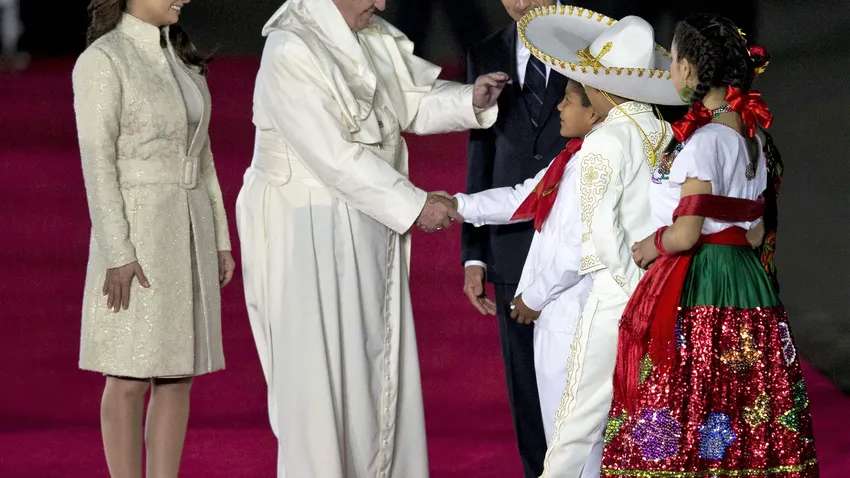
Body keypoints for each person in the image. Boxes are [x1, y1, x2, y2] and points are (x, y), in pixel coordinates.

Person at [234, 0, 507, 476]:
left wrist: (470, 100)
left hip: (365, 218)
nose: (381, 4)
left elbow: (409, 100)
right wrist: (416, 204)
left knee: (371, 372)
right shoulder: (291, 48)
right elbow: (334, 157)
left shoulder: (366, 32)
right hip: (306, 231)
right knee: (321, 384)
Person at [604, 14, 819, 476]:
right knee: (744, 404)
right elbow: (756, 231)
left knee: (688, 402)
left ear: (689, 69)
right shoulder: (755, 138)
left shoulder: (704, 143)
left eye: (674, 61)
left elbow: (685, 232)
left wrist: (651, 244)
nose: (671, 71)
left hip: (700, 281)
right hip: (747, 281)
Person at [514, 8, 683, 477]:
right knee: (644, 422)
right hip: (659, 288)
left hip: (616, 293)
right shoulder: (662, 131)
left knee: (576, 422)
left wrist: (630, 291)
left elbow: (601, 233)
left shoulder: (604, 142)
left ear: (600, 88)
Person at [72, 0, 234, 477]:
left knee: (178, 373)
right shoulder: (104, 59)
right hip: (138, 233)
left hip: (188, 230)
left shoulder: (182, 59)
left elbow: (202, 158)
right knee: (127, 375)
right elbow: (97, 163)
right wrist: (117, 252)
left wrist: (220, 239)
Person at [452, 79, 600, 443]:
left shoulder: (596, 162)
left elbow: (582, 245)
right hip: (558, 314)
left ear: (594, 112)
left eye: (568, 100)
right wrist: (456, 205)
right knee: (561, 436)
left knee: (574, 441)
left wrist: (533, 296)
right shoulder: (574, 156)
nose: (559, 108)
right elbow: (524, 197)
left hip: (572, 312)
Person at [462, 1, 570, 475]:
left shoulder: (590, 41)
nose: (522, 3)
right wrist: (474, 255)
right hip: (510, 247)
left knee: (580, 386)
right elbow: (480, 151)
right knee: (526, 392)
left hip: (576, 244)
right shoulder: (486, 51)